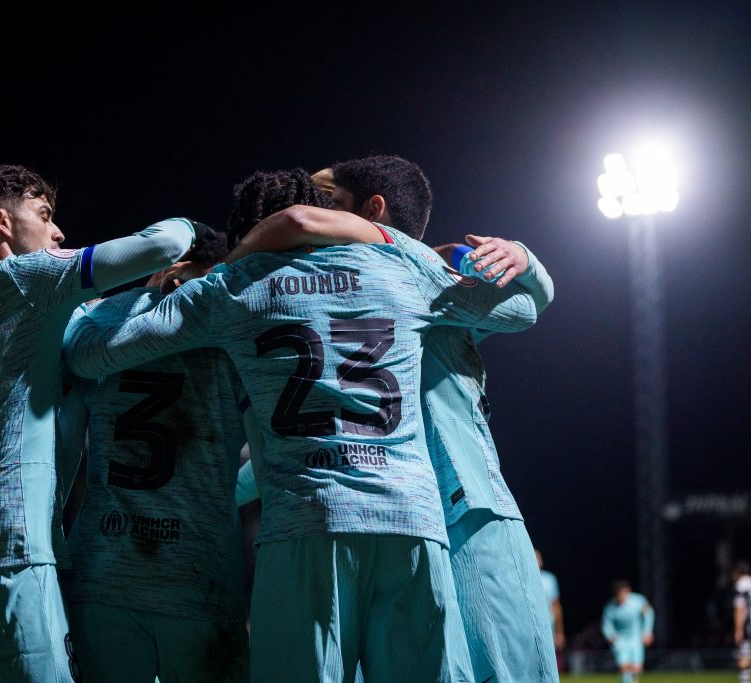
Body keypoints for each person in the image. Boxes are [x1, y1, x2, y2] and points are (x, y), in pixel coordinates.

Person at [64, 166, 544, 682]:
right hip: (411, 519)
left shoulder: (233, 285)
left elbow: (91, 355)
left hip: (306, 522)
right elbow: (522, 310)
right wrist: (521, 256)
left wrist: (134, 296)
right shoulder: (403, 264)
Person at [228, 154, 558, 681]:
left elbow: (528, 306)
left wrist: (522, 254)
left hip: (467, 514)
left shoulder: (430, 285)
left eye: (327, 201)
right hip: (382, 521)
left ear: (372, 211)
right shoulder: (315, 304)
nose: (313, 210)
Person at [0, 163, 195, 683]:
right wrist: (191, 228)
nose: (58, 231)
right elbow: (162, 245)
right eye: (44, 215)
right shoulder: (26, 278)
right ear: (0, 221)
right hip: (13, 545)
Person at [58, 223, 257, 682]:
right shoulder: (234, 325)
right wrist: (227, 491)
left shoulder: (100, 318)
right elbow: (267, 464)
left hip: (101, 571)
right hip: (199, 578)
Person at [601, 579, 655, 683]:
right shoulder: (610, 607)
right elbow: (606, 624)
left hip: (636, 637)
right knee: (624, 666)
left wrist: (647, 632)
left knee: (637, 668)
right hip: (620, 639)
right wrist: (610, 636)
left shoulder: (638, 601)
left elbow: (649, 614)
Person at [536, 548, 567, 670]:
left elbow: (556, 606)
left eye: (538, 557)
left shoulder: (550, 579)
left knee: (548, 662)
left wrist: (559, 632)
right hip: (526, 627)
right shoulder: (518, 578)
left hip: (548, 626)